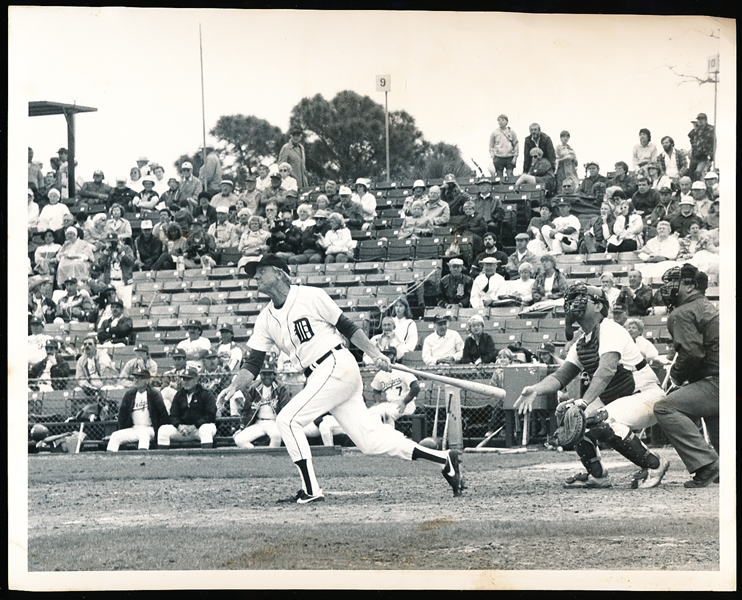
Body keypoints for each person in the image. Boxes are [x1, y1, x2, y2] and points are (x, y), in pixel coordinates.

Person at [217, 254, 464, 503]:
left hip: (335, 364)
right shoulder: (265, 319)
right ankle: (445, 460)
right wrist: (233, 386)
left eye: (261, 270)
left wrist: (374, 353)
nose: (255, 276)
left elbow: (347, 327)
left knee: (287, 420)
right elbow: (253, 363)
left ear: (280, 273)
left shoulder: (310, 296)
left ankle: (311, 490)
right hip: (319, 376)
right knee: (369, 440)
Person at [515, 283, 668, 489]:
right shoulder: (582, 341)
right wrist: (536, 389)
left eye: (580, 298)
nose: (572, 304)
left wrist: (584, 402)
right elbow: (562, 375)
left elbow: (606, 371)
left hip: (646, 395)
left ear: (598, 306)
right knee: (571, 416)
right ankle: (597, 475)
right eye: (571, 299)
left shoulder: (610, 328)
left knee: (600, 419)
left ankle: (655, 464)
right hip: (620, 399)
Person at [652, 264, 719, 487]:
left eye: (674, 282)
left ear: (690, 286)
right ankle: (725, 467)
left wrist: (677, 377)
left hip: (717, 381)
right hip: (723, 380)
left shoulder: (682, 312)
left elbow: (691, 353)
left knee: (665, 407)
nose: (668, 288)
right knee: (714, 417)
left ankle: (706, 465)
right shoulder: (706, 305)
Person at [107, 368, 170, 452]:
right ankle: (110, 462)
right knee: (115, 436)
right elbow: (122, 415)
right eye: (136, 377)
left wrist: (159, 433)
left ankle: (141, 461)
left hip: (150, 429)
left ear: (147, 381)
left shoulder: (154, 394)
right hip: (134, 428)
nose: (137, 380)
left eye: (140, 378)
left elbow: (163, 415)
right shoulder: (130, 394)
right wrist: (122, 429)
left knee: (144, 435)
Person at [233, 359, 291, 448]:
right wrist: (242, 427)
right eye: (264, 374)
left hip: (275, 422)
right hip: (258, 423)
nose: (267, 377)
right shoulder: (254, 389)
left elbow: (286, 409)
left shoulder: (281, 388)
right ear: (260, 375)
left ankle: (272, 457)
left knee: (277, 435)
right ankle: (256, 456)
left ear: (274, 375)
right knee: (239, 439)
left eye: (269, 374)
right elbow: (246, 410)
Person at [157, 368, 218, 450]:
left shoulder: (206, 394)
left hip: (199, 428)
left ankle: (207, 457)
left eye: (188, 379)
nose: (185, 382)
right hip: (183, 429)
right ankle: (163, 459)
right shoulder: (179, 395)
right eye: (184, 379)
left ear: (196, 380)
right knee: (163, 430)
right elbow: (173, 415)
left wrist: (194, 426)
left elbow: (210, 415)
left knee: (206, 429)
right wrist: (179, 426)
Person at [367, 346, 421, 426]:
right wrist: (378, 401)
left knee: (387, 414)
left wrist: (404, 402)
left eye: (389, 354)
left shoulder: (402, 369)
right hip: (390, 403)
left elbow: (416, 387)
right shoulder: (380, 373)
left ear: (395, 357)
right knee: (369, 413)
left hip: (406, 404)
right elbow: (376, 390)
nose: (386, 356)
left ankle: (390, 436)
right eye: (384, 354)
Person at [98, 232, 135, 308]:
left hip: (124, 281)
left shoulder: (126, 248)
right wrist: (106, 253)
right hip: (111, 282)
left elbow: (131, 261)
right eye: (110, 242)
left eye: (113, 242)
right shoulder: (106, 251)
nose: (112, 244)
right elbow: (101, 264)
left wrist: (121, 252)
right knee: (112, 306)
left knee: (126, 306)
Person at [488, 114, 519, 178]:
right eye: (499, 120)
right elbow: (491, 145)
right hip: (498, 157)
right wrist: (492, 155)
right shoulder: (495, 133)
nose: (500, 122)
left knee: (510, 176)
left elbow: (516, 144)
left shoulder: (511, 132)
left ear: (507, 122)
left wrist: (515, 157)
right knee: (499, 176)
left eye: (503, 120)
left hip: (509, 156)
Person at [687, 113, 715, 181]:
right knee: (690, 174)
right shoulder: (696, 129)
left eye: (702, 119)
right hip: (695, 155)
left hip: (704, 156)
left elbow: (713, 141)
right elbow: (690, 136)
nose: (700, 121)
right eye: (699, 119)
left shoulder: (710, 129)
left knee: (698, 173)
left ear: (706, 120)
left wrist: (711, 154)